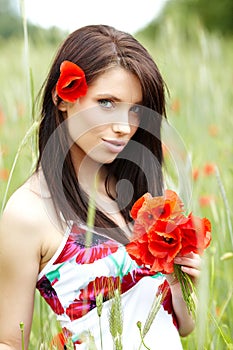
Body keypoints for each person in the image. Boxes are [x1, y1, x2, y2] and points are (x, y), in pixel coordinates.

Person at [0, 25, 201, 350]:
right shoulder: (29, 212)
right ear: (62, 97)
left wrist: (186, 284)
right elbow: (9, 341)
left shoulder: (148, 191)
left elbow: (182, 326)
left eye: (135, 109)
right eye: (106, 103)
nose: (124, 127)